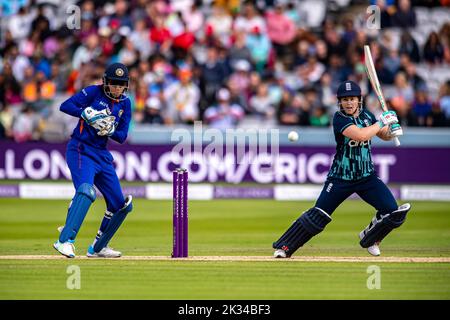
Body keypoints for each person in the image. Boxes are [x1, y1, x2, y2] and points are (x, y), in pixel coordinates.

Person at [272, 80, 411, 258]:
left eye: (352, 98)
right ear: (340, 102)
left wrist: (392, 130)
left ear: (359, 100)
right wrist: (383, 120)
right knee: (318, 215)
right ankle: (284, 247)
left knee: (393, 212)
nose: (349, 103)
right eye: (345, 100)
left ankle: (371, 238)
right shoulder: (339, 118)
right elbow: (361, 136)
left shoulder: (367, 116)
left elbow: (381, 134)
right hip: (340, 178)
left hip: (366, 177)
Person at [53, 63, 133, 258]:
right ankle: (64, 241)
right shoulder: (93, 92)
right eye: (113, 83)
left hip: (101, 154)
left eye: (120, 84)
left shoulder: (125, 104)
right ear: (106, 82)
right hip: (81, 149)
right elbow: (66, 105)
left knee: (120, 204)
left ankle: (98, 247)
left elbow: (122, 136)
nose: (116, 88)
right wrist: (85, 113)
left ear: (126, 85)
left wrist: (110, 130)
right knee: (87, 191)